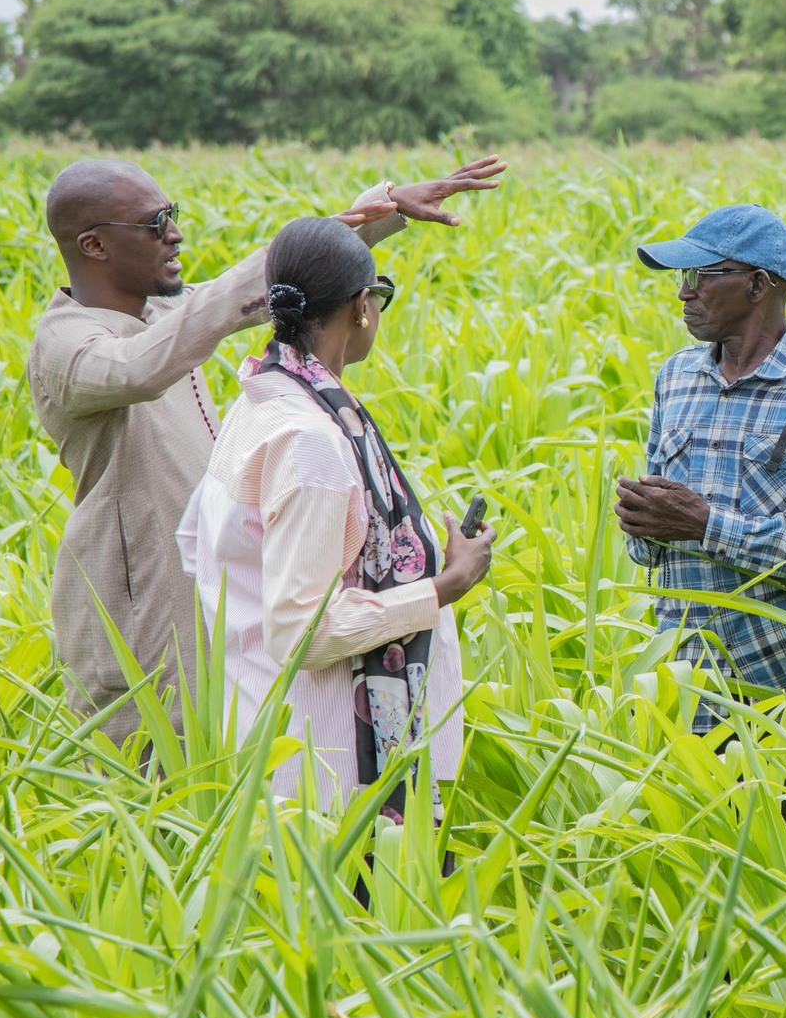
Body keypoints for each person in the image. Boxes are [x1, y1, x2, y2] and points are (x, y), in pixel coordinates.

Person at [29, 155, 505, 742]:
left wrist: (374, 214)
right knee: (154, 782)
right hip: (137, 599)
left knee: (228, 768)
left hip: (216, 588)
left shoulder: (166, 312)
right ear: (95, 246)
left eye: (172, 215)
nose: (175, 234)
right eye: (156, 224)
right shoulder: (68, 346)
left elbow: (272, 294)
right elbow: (147, 363)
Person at [177, 216, 496, 816]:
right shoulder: (313, 440)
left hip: (259, 719)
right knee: (359, 907)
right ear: (362, 308)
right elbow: (302, 631)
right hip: (329, 764)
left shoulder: (260, 398)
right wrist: (445, 585)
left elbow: (201, 545)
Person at [615, 204, 786, 734]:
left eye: (700, 277)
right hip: (678, 685)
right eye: (681, 277)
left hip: (783, 693)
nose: (683, 292)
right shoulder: (677, 377)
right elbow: (652, 548)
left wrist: (706, 525)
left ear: (758, 285)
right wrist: (644, 525)